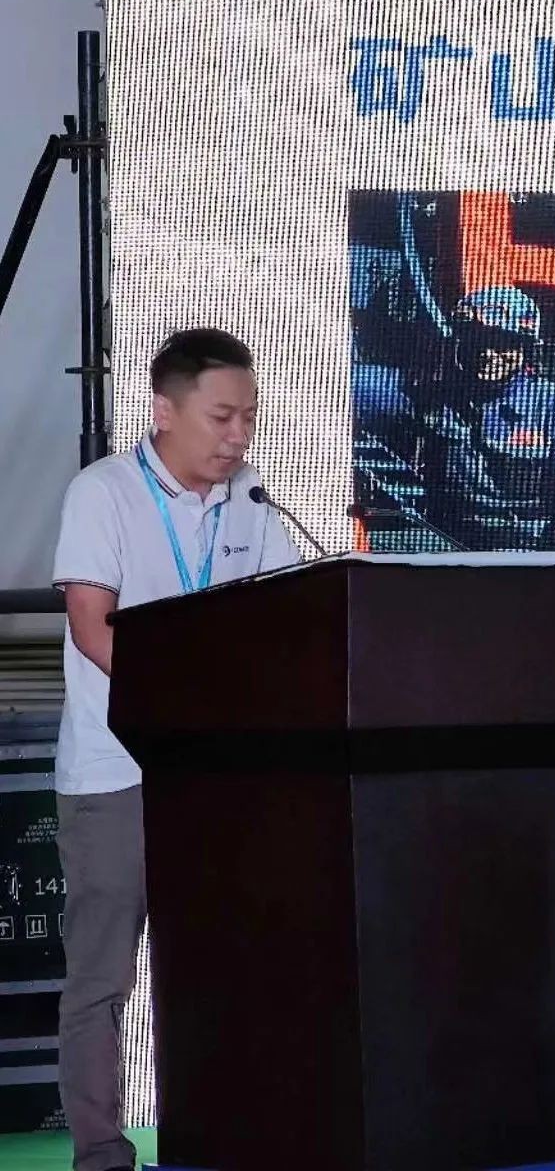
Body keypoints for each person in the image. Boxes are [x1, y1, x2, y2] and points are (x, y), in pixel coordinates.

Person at [52, 328, 301, 1171]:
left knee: (231, 964)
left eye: (249, 418)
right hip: (117, 775)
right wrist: (190, 710)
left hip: (219, 779)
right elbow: (93, 628)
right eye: (222, 417)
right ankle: (101, 1154)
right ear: (164, 410)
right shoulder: (104, 492)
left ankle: (230, 1137)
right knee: (102, 979)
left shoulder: (253, 500)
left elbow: (288, 620)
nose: (238, 436)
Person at [353, 285, 555, 550]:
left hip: (529, 551)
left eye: (502, 343)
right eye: (476, 341)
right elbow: (351, 387)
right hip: (449, 541)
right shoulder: (431, 396)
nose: (487, 354)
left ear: (525, 349)